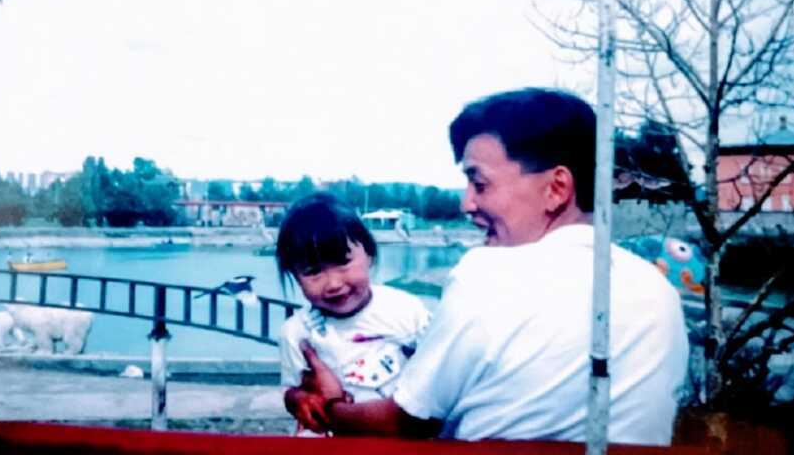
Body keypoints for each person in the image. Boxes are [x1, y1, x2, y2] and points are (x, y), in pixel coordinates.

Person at [290, 88, 689, 445]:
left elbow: (406, 423)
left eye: (479, 184)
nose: (466, 204)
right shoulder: (659, 293)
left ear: (556, 188)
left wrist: (333, 406)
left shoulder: (491, 276)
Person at [276, 192, 430, 434]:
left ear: (368, 253)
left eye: (343, 262)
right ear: (295, 277)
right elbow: (292, 389)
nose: (333, 283)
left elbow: (435, 376)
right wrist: (298, 400)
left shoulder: (408, 310)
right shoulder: (296, 333)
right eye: (313, 271)